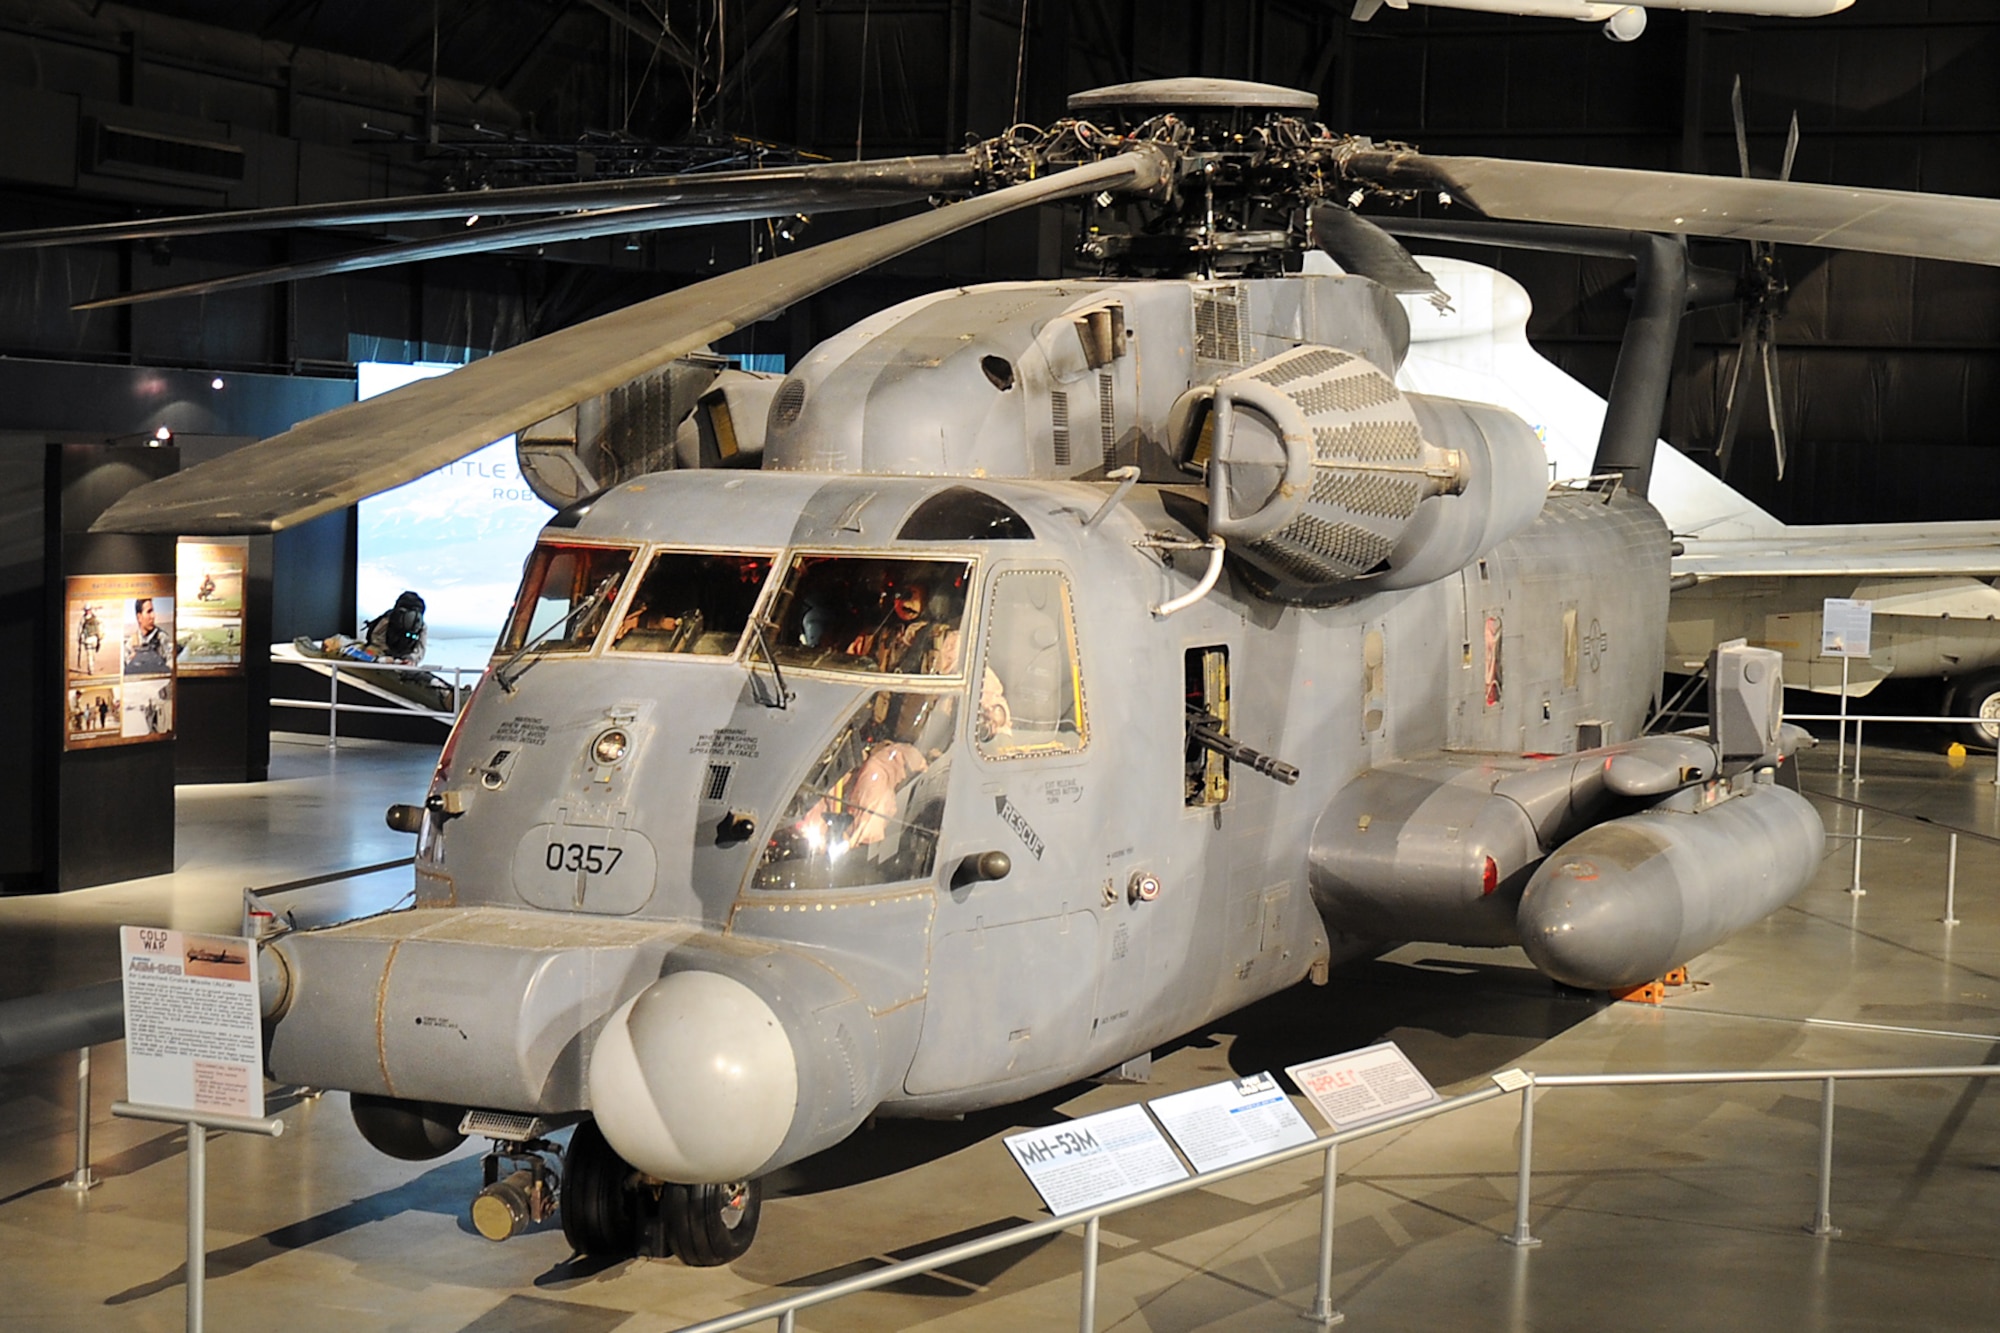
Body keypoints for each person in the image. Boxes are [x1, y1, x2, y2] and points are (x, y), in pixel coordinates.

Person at [304, 591, 429, 665]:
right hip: (379, 653)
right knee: (357, 649)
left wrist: (409, 659)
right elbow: (375, 639)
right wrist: (386, 657)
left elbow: (419, 650)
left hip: (401, 658)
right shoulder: (388, 620)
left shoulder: (420, 627)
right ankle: (333, 644)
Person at [124, 598, 170, 673]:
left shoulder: (161, 638)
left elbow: (171, 664)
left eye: (153, 611)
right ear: (139, 617)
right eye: (149, 612)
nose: (153, 616)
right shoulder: (130, 644)